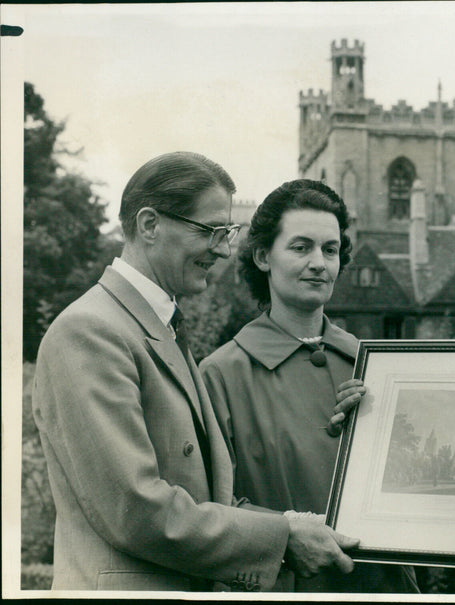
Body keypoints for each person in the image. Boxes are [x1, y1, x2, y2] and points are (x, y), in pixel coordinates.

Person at [32, 152, 360, 592]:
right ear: (150, 225)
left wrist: (300, 525)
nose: (224, 249)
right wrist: (283, 538)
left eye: (227, 233)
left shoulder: (157, 327)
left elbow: (209, 497)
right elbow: (136, 510)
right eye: (210, 231)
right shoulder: (90, 330)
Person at [200, 180, 419, 593]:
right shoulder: (221, 374)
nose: (319, 263)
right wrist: (283, 537)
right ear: (264, 256)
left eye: (330, 249)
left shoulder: (375, 366)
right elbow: (210, 507)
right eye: (301, 248)